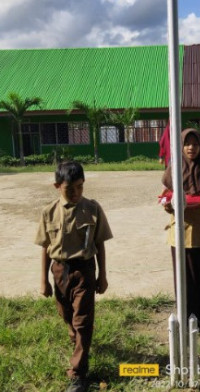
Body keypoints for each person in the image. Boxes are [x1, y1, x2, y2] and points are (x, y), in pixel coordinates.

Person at [35, 161, 113, 392]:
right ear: (57, 186)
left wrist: (103, 275)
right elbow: (44, 247)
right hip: (59, 271)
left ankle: (77, 373)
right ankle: (75, 333)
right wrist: (43, 281)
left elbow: (100, 244)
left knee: (83, 321)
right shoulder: (48, 212)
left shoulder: (92, 208)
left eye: (80, 187)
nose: (76, 193)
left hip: (85, 270)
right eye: (70, 189)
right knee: (66, 313)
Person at [161, 128, 200, 330]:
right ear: (180, 146)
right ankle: (187, 317)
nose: (191, 148)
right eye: (187, 144)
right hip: (180, 233)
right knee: (184, 277)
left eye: (195, 144)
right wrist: (167, 205)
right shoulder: (174, 170)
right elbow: (166, 197)